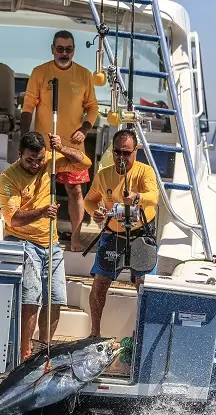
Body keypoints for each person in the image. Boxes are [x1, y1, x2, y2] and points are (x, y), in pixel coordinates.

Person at [0, 131, 92, 361]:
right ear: (19, 155)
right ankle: (25, 352)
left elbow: (85, 162)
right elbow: (13, 219)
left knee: (56, 296)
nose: (35, 164)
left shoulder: (50, 163)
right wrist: (41, 212)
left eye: (39, 159)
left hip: (51, 243)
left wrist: (61, 148)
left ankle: (44, 349)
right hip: (22, 240)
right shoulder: (8, 177)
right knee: (32, 295)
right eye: (30, 159)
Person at [21, 30, 99, 253]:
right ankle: (36, 234)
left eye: (69, 49)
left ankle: (75, 237)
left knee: (75, 190)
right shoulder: (40, 72)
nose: (64, 53)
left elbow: (93, 107)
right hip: (42, 146)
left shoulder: (84, 75)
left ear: (73, 50)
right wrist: (24, 140)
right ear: (53, 49)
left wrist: (84, 130)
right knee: (37, 191)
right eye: (60, 48)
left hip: (71, 147)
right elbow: (28, 107)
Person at [83, 129, 160, 338]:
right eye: (118, 152)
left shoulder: (145, 172)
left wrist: (137, 197)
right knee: (100, 283)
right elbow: (89, 200)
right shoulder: (104, 174)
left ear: (135, 151)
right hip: (112, 233)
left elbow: (154, 197)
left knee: (143, 285)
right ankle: (94, 333)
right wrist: (95, 213)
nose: (121, 157)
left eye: (126, 153)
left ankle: (143, 333)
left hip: (140, 233)